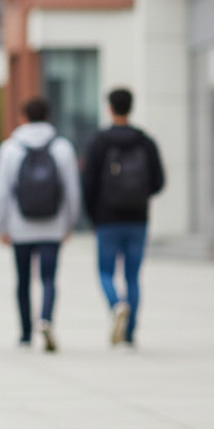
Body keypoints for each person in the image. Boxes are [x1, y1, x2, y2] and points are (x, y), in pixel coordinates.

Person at [0, 97, 80, 351]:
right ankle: (47, 320)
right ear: (49, 117)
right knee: (49, 278)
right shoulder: (62, 148)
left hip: (20, 226)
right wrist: (69, 223)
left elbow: (1, 192)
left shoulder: (10, 148)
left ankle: (25, 333)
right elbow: (72, 190)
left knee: (22, 281)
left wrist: (1, 227)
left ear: (23, 117)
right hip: (53, 225)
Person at [82, 88, 164, 347]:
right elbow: (159, 181)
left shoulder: (99, 142)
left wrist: (92, 215)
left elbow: (88, 183)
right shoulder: (145, 141)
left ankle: (116, 305)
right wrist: (138, 197)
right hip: (138, 218)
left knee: (106, 272)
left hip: (107, 219)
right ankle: (129, 333)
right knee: (133, 276)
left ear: (110, 108)